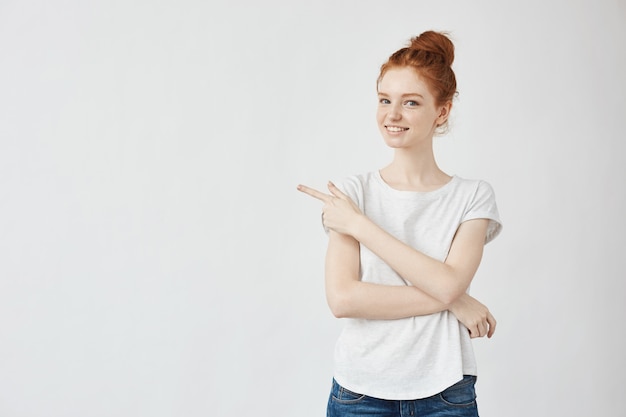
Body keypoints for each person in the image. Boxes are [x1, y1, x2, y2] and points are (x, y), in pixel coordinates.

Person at [297, 30, 502, 417]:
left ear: (442, 111)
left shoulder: (472, 197)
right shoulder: (351, 192)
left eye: (410, 102)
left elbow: (448, 283)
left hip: (445, 392)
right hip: (359, 394)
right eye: (384, 100)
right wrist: (454, 300)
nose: (392, 115)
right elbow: (343, 300)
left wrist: (360, 226)